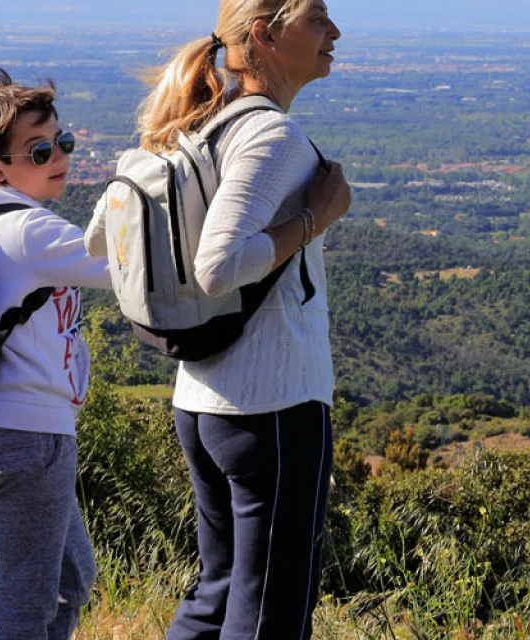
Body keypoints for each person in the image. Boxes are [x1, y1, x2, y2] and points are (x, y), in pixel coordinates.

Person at [130, 0, 349, 637]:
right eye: (317, 18)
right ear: (265, 35)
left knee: (218, 596)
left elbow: (104, 240)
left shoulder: (199, 124)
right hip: (272, 404)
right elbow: (218, 265)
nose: (334, 32)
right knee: (268, 616)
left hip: (202, 399)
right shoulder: (270, 134)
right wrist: (315, 218)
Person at [0, 68, 108, 640]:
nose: (59, 156)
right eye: (39, 150)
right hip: (28, 438)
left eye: (64, 142)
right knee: (29, 598)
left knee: (69, 576)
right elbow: (137, 272)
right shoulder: (28, 231)